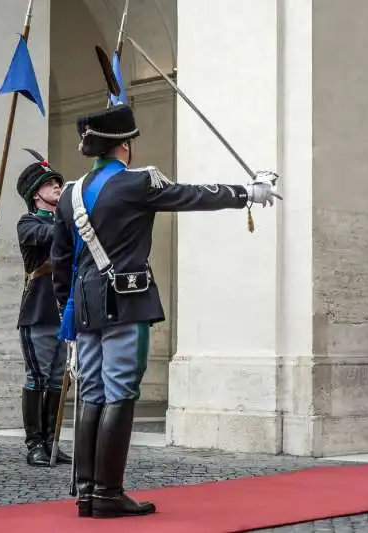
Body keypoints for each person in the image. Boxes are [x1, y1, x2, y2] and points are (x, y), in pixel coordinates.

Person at [51, 103, 279, 519]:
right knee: (120, 391)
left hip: (84, 309)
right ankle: (107, 493)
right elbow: (191, 196)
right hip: (124, 302)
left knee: (93, 393)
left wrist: (70, 309)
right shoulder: (137, 183)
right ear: (125, 146)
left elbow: (60, 261)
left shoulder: (68, 194)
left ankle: (86, 493)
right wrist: (250, 191)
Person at [16, 152, 73, 466]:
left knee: (57, 379)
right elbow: (46, 236)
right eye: (50, 183)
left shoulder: (63, 223)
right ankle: (34, 444)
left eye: (57, 183)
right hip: (38, 311)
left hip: (64, 311)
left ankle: (52, 442)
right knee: (37, 377)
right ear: (36, 193)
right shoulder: (29, 223)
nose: (56, 187)